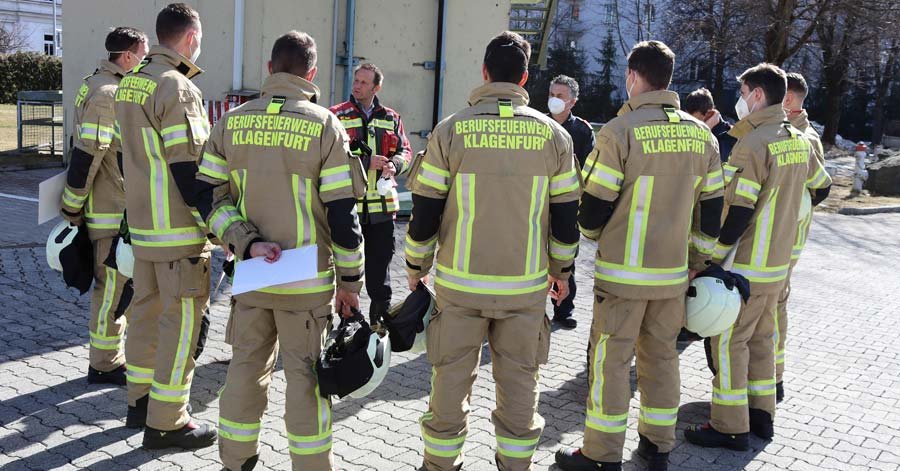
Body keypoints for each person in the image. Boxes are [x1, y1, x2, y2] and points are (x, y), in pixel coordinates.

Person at [405, 31, 581, 470]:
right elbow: (565, 218)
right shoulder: (555, 137)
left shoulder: (450, 131)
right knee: (521, 388)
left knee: (448, 386)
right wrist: (562, 271)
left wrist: (414, 265)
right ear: (524, 78)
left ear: (484, 73)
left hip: (459, 290)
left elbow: (424, 212)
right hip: (524, 292)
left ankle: (440, 465)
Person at [193, 31, 365, 471]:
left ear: (270, 69)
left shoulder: (230, 121)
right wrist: (351, 283)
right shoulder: (324, 125)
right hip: (306, 281)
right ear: (311, 74)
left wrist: (246, 241)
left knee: (245, 369)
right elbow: (343, 215)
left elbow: (206, 198)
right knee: (307, 380)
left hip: (253, 273)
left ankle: (235, 460)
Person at [555, 41, 724, 471]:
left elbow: (592, 208)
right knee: (662, 358)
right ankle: (657, 447)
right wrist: (697, 261)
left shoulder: (619, 132)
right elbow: (711, 214)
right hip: (672, 278)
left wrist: (593, 236)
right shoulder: (701, 134)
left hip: (622, 278)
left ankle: (601, 454)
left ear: (632, 77)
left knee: (611, 364)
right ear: (668, 78)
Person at [684, 63, 831, 450]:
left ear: (758, 95)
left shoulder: (753, 143)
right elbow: (821, 188)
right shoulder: (797, 138)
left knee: (729, 343)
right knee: (763, 340)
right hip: (778, 266)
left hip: (744, 267)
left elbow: (738, 211)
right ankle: (762, 417)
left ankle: (729, 426)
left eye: (744, 91)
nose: (741, 99)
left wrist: (710, 259)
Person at [115, 2, 216, 449]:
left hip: (143, 229)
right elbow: (188, 168)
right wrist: (214, 226)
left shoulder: (129, 83)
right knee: (180, 327)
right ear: (191, 37)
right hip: (178, 234)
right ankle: (168, 421)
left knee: (143, 315)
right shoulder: (176, 87)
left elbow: (125, 157)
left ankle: (139, 402)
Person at [61, 26, 148, 386]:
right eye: (142, 56)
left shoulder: (94, 83)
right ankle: (104, 363)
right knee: (111, 289)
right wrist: (71, 205)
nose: (143, 64)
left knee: (115, 288)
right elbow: (88, 154)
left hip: (110, 203)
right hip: (110, 208)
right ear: (126, 56)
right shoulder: (108, 93)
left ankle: (106, 357)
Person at [330, 63, 412, 326]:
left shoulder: (391, 118)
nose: (357, 85)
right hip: (347, 210)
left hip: (382, 213)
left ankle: (378, 329)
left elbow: (406, 152)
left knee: (380, 278)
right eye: (356, 80)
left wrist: (394, 164)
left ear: (377, 87)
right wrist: (366, 163)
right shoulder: (336, 116)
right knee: (345, 274)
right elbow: (329, 159)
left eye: (364, 82)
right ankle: (344, 327)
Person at [775, 72, 832, 402]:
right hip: (782, 241)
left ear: (789, 101)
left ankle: (774, 379)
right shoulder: (792, 134)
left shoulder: (803, 139)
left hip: (783, 244)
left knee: (774, 311)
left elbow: (818, 190)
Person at [548, 74, 595, 329]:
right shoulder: (539, 125)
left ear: (572, 102)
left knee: (566, 256)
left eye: (560, 96)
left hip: (567, 205)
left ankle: (563, 309)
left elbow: (588, 170)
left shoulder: (582, 131)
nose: (554, 100)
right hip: (541, 203)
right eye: (552, 95)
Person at [683, 87, 737, 162]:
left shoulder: (731, 137)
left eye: (696, 121)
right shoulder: (686, 134)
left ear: (710, 114)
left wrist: (704, 131)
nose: (692, 125)